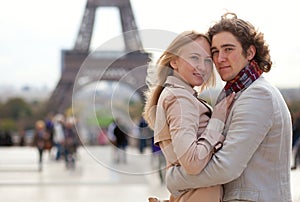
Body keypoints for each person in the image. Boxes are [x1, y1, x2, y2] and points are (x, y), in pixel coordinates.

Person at [166, 12, 293, 202]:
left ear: (250, 53)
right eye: (215, 51)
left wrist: (174, 179)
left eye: (228, 49)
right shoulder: (237, 93)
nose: (220, 58)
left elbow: (226, 166)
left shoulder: (258, 95)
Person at [143, 30, 235, 202]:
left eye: (208, 60)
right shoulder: (180, 99)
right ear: (174, 62)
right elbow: (192, 162)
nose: (203, 66)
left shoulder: (175, 94)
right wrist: (217, 120)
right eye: (194, 58)